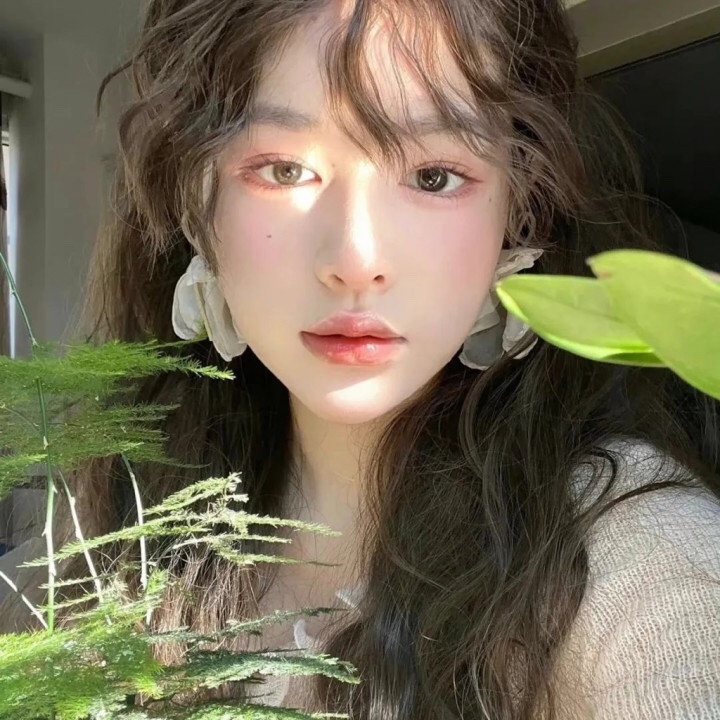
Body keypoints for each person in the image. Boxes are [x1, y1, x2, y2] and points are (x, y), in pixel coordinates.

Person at [16, 0, 720, 717]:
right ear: (195, 203)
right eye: (284, 169)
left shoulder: (640, 554)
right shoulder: (114, 518)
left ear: (519, 210)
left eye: (434, 176)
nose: (356, 260)